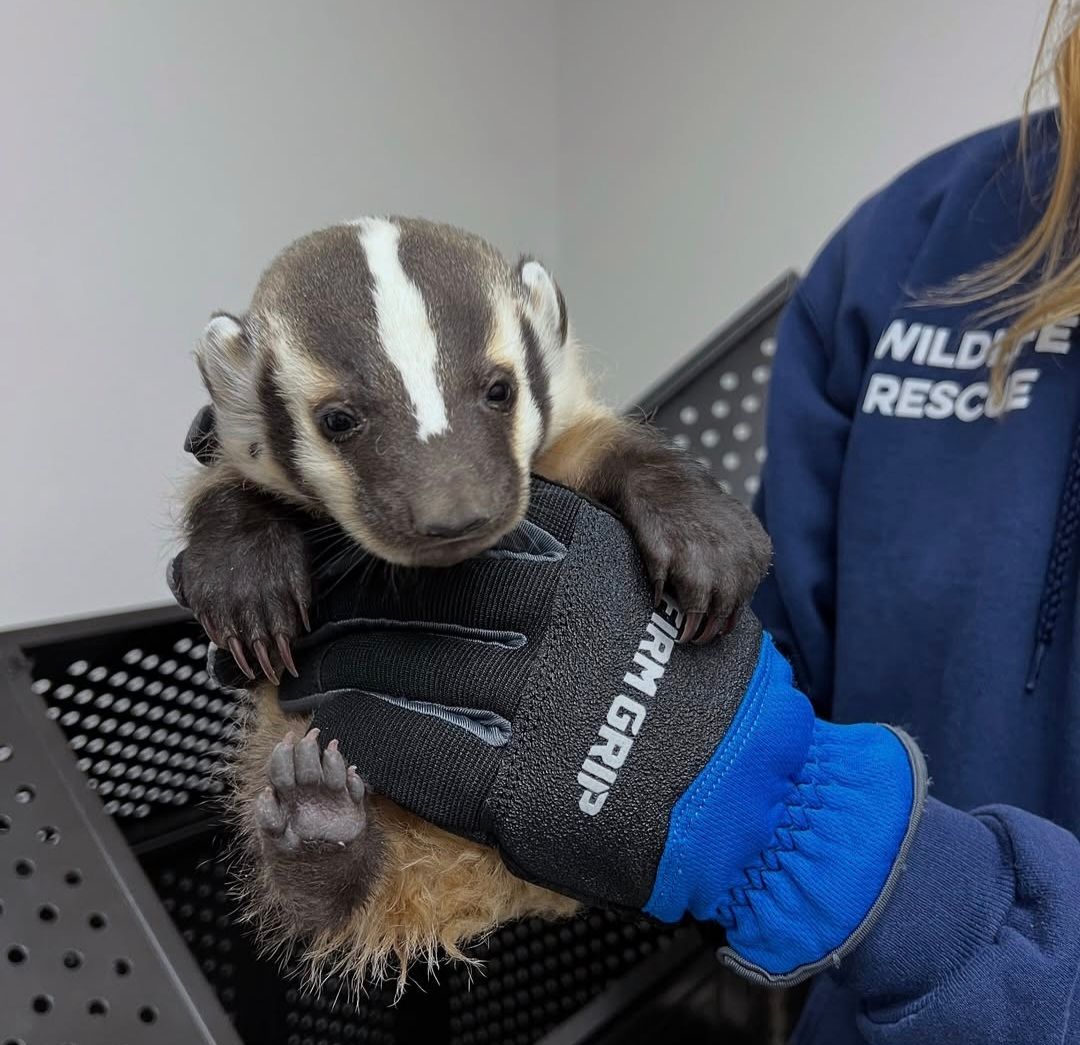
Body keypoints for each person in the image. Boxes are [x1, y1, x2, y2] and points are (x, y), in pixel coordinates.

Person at [174, 5, 1080, 1040]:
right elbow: (771, 634)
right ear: (243, 400)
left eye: (495, 397)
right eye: (341, 420)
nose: (451, 498)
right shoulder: (900, 250)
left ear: (542, 334)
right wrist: (237, 519)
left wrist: (878, 867)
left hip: (874, 939)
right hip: (824, 991)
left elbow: (594, 443)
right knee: (325, 832)